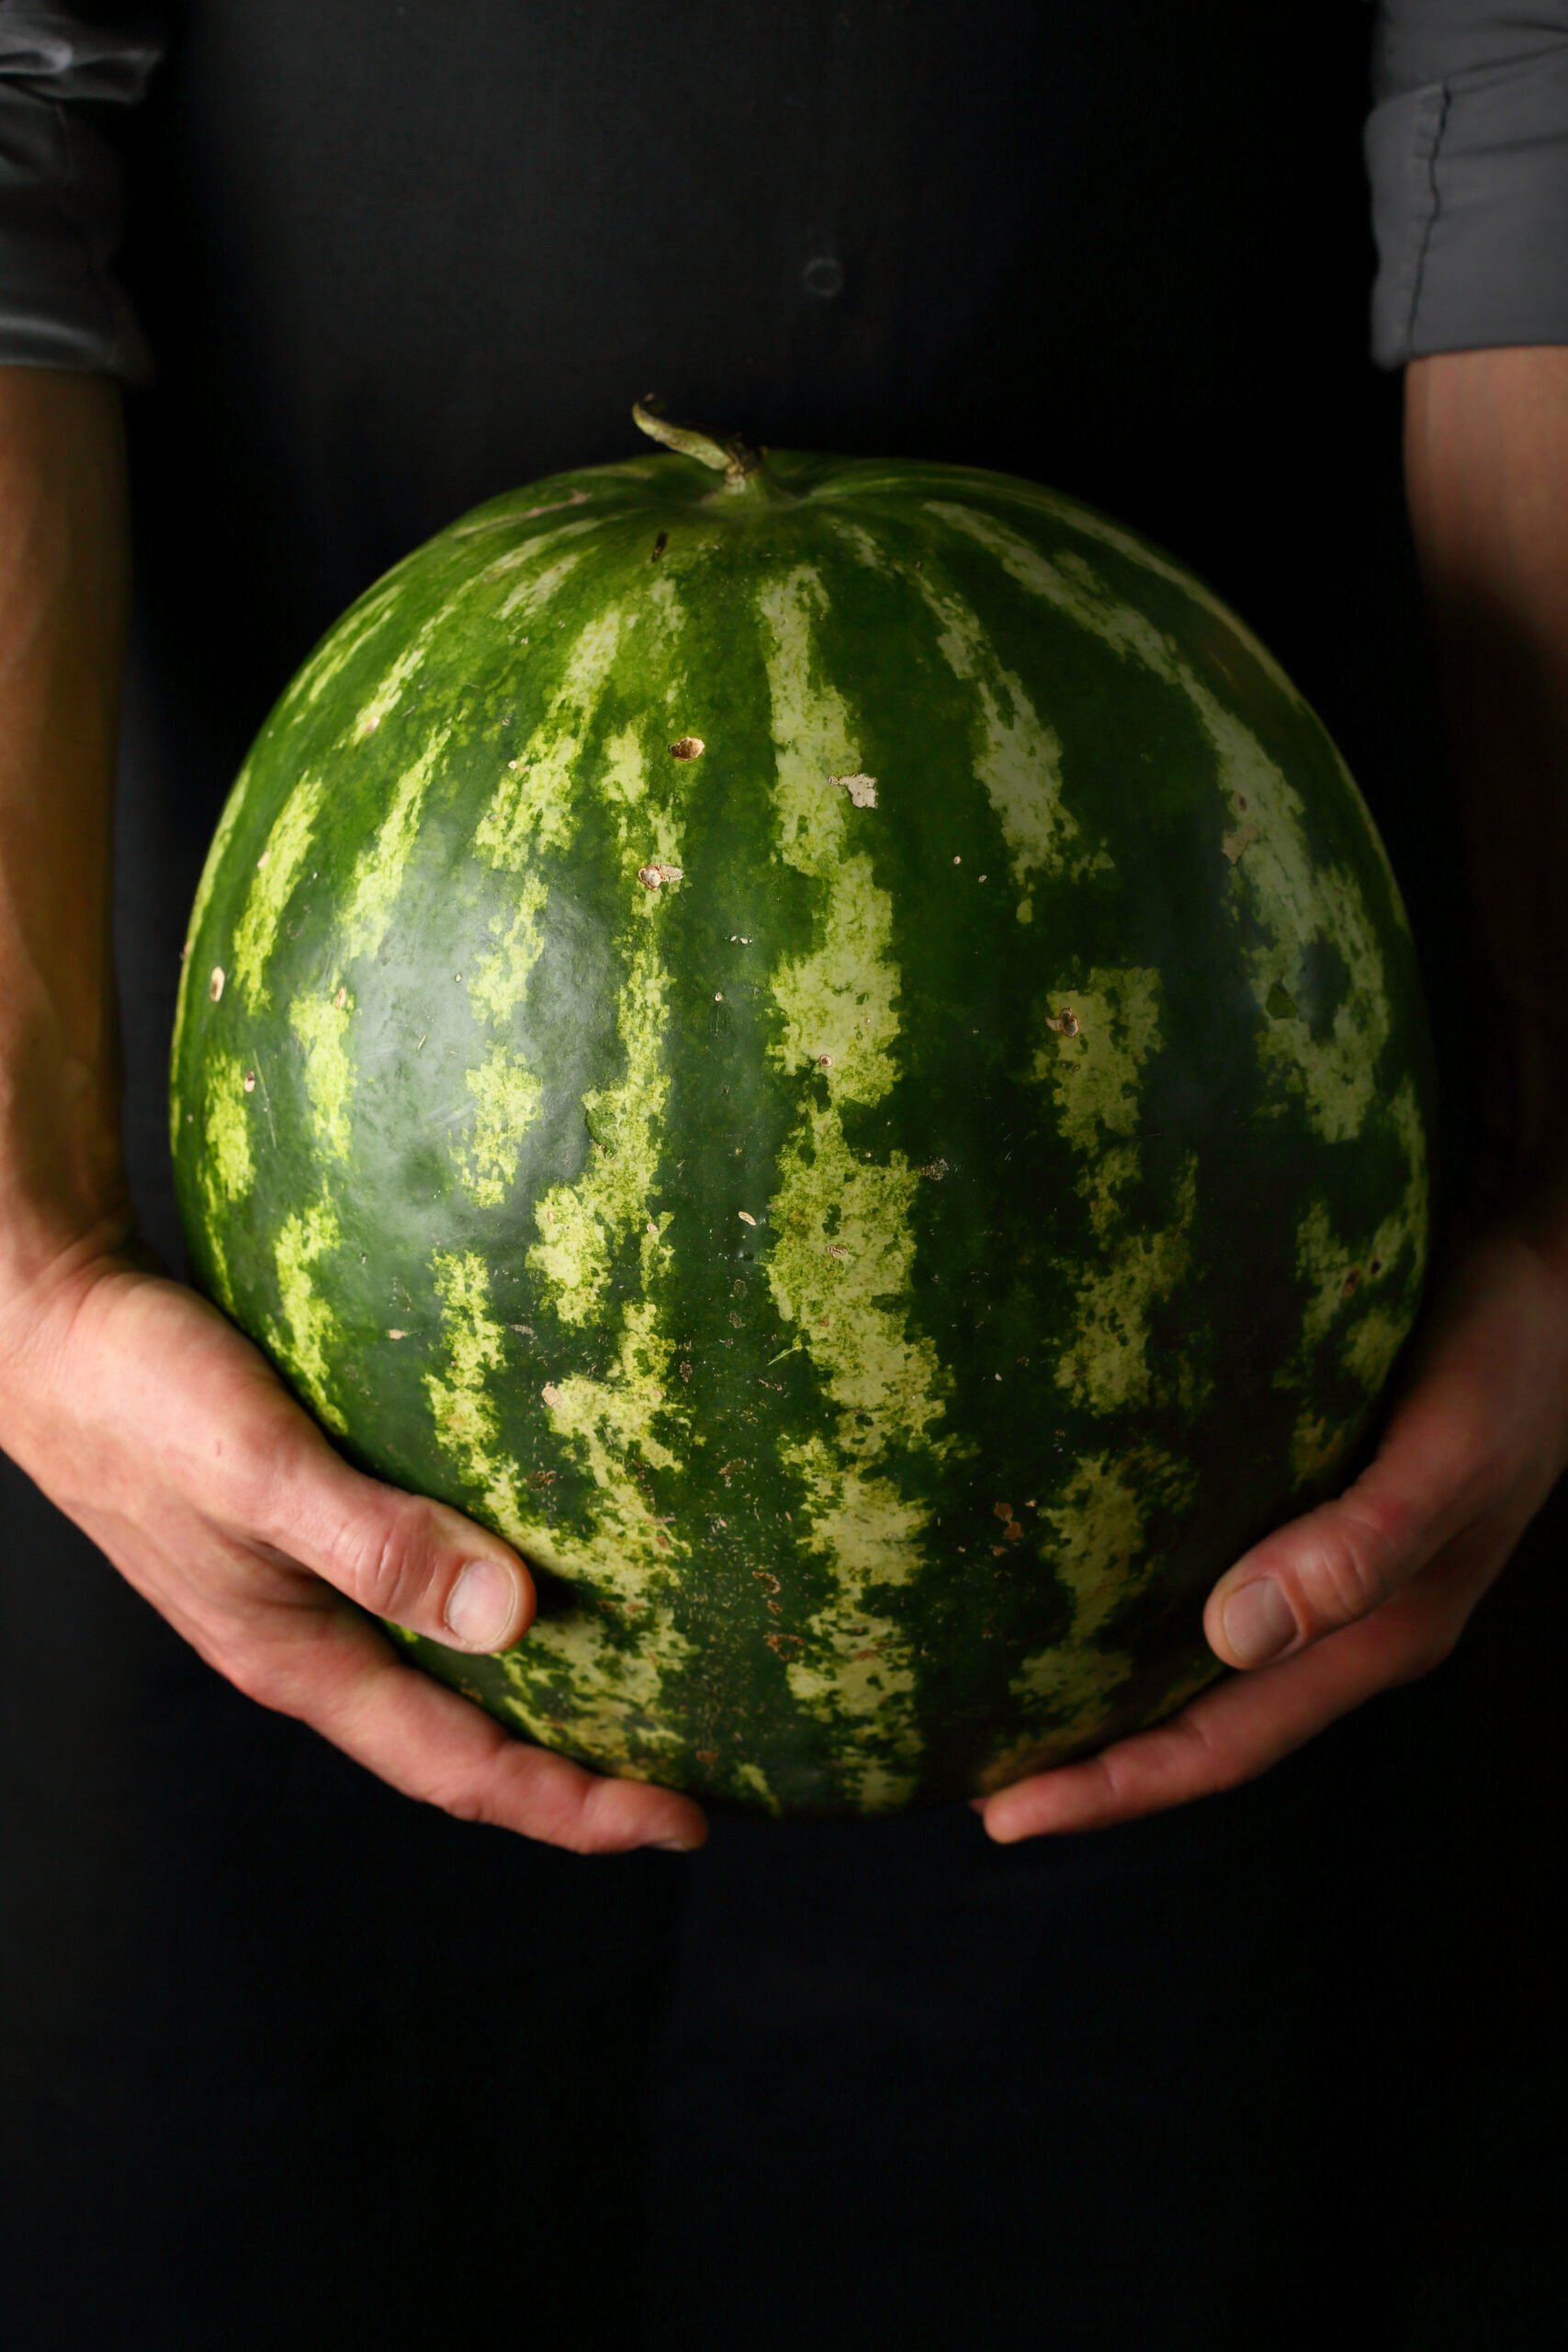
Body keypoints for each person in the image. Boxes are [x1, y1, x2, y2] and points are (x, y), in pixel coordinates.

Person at [2, 4, 1564, 2344]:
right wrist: (21, 1257)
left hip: (1234, 1131)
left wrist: (1558, 1179)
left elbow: (1530, 105)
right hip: (270, 1216)